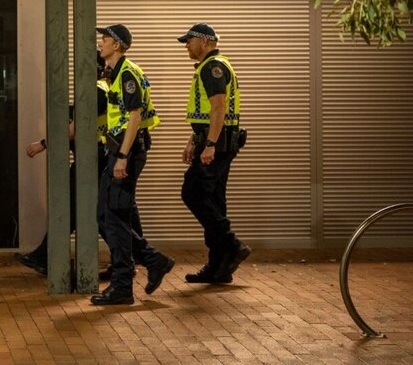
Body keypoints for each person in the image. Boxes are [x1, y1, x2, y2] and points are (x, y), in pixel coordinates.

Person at [91, 24, 175, 306]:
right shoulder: (116, 73)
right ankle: (153, 259)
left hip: (126, 154)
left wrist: (123, 157)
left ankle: (123, 286)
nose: (100, 44)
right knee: (105, 216)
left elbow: (135, 118)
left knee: (113, 218)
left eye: (104, 40)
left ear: (117, 45)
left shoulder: (127, 73)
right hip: (118, 152)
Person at [15, 53, 110, 276]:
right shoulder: (100, 88)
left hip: (92, 161)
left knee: (91, 213)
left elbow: (75, 130)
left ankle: (137, 256)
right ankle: (44, 256)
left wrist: (43, 144)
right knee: (76, 211)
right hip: (93, 159)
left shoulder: (94, 91)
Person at [177, 23, 251, 284]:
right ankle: (219, 266)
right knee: (215, 202)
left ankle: (233, 245)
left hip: (217, 146)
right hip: (216, 142)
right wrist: (193, 140)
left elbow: (218, 108)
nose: (186, 45)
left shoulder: (213, 67)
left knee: (192, 193)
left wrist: (208, 145)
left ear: (205, 42)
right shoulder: (210, 66)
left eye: (189, 40)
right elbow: (207, 113)